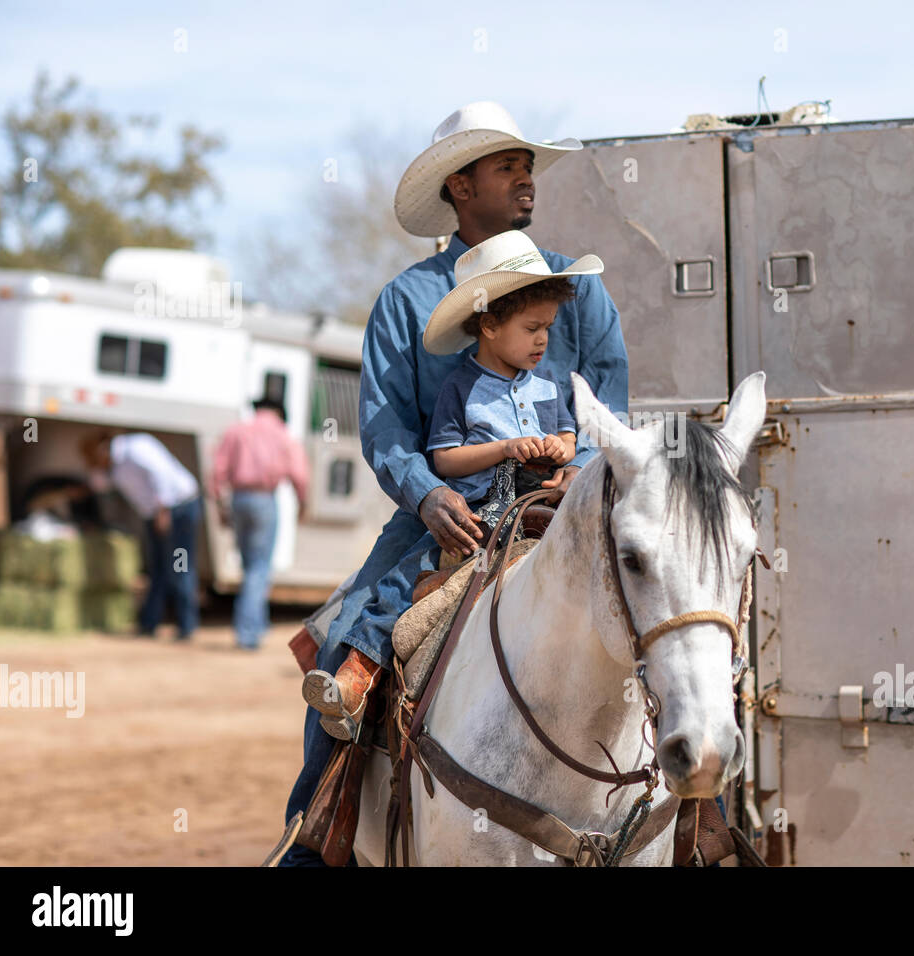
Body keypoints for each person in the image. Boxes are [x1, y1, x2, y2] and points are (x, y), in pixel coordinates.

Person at [279, 101, 628, 865]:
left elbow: (611, 407)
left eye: (526, 164)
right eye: (507, 166)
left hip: (565, 506)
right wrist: (430, 496)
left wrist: (577, 468)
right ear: (461, 188)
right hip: (444, 512)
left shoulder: (578, 289)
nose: (526, 176)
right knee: (346, 640)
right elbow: (386, 432)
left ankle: (696, 817)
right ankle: (319, 829)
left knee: (668, 625)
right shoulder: (407, 301)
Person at [302, 231, 595, 740]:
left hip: (541, 506)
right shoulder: (460, 386)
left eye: (547, 327)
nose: (543, 340)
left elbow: (570, 437)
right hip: (476, 508)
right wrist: (505, 448)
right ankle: (358, 672)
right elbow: (444, 458)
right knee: (401, 578)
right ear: (489, 324)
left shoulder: (547, 386)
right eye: (532, 328)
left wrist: (560, 451)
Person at [208, 395, 310, 650]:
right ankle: (247, 633)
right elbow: (299, 474)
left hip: (239, 498)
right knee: (259, 567)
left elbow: (217, 470)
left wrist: (220, 504)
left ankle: (258, 622)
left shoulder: (236, 431)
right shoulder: (283, 434)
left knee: (249, 564)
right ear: (278, 411)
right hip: (264, 500)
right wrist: (303, 503)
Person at [79, 430, 202, 640]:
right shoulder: (113, 468)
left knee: (179, 566)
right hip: (155, 513)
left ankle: (186, 625)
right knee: (157, 568)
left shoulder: (137, 448)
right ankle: (149, 623)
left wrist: (164, 511)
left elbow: (161, 474)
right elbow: (99, 484)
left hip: (177, 508)